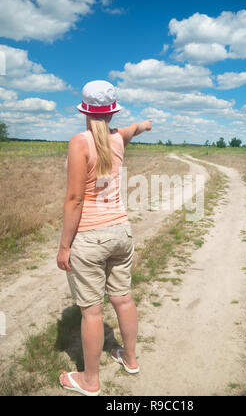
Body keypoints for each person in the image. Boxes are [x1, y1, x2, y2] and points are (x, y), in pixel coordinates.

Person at [57, 80, 152, 396]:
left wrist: (64, 246)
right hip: (121, 232)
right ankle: (130, 358)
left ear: (85, 111)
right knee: (123, 299)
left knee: (92, 311)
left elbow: (74, 199)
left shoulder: (79, 142)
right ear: (112, 113)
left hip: (90, 238)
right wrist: (144, 125)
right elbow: (132, 129)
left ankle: (90, 381)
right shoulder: (119, 139)